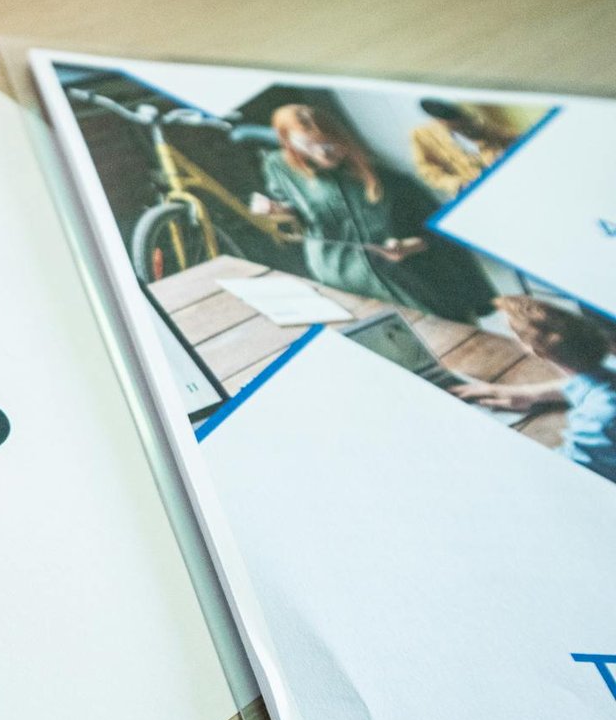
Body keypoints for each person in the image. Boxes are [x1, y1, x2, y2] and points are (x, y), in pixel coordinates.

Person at [253, 104, 494, 321]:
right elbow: (296, 211)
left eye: (327, 144)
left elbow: (442, 236)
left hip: (409, 289)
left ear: (340, 137)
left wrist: (409, 246)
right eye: (307, 146)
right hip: (341, 288)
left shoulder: (391, 182)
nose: (321, 154)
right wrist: (279, 210)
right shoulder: (279, 167)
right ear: (289, 142)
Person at [451, 297, 616, 484]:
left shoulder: (595, 421)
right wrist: (530, 393)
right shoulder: (607, 365)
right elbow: (598, 382)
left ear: (536, 351)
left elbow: (567, 472)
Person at [410, 98, 512, 198]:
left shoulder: (472, 121)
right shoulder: (423, 136)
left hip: (503, 175)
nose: (453, 123)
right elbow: (427, 171)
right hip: (473, 191)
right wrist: (456, 183)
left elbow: (505, 136)